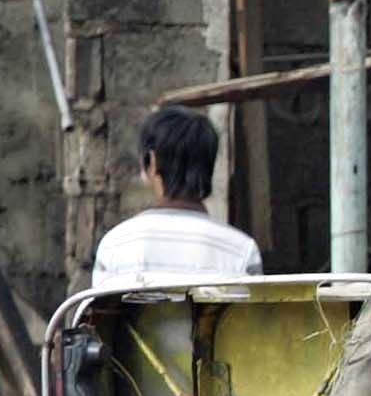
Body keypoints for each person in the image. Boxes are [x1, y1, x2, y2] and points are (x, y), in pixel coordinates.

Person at [87, 106, 263, 291]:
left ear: (152, 162)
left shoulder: (115, 245)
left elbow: (98, 317)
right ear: (209, 165)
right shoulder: (242, 250)